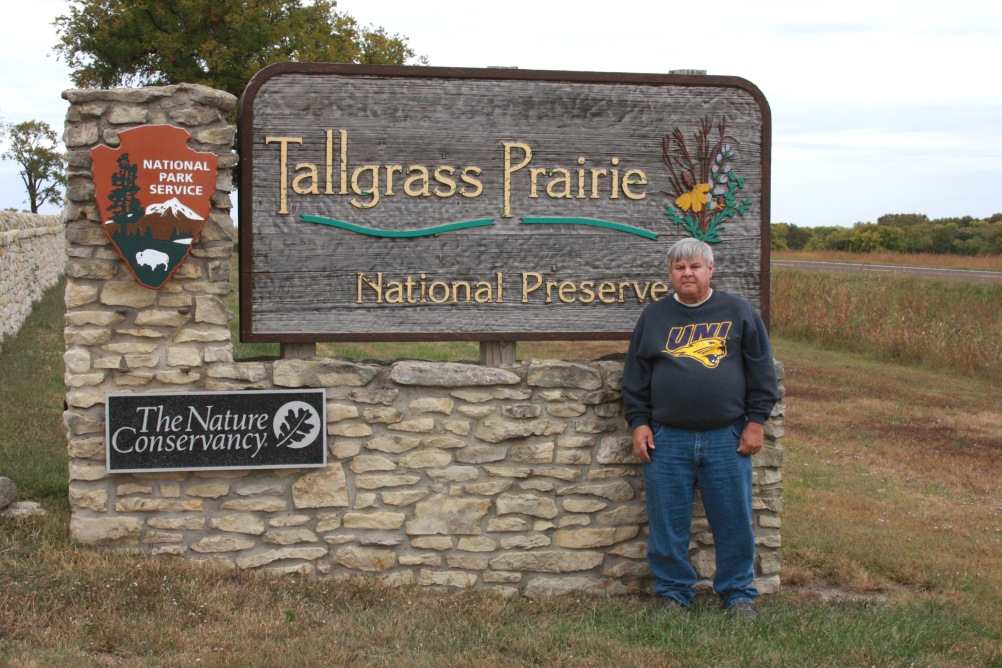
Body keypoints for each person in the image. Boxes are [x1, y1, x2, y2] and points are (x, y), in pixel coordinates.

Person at [621, 237, 779, 620]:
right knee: (667, 521)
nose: (687, 273)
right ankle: (674, 594)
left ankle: (738, 594)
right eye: (679, 267)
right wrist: (639, 423)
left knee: (734, 520)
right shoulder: (654, 317)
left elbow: (762, 373)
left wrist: (756, 421)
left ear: (711, 270)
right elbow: (635, 378)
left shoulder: (739, 312)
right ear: (670, 274)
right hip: (667, 437)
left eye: (694, 266)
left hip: (727, 437)